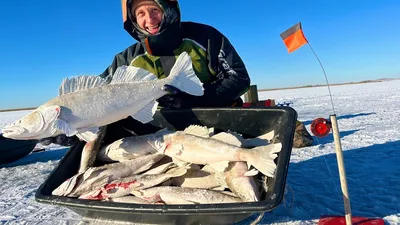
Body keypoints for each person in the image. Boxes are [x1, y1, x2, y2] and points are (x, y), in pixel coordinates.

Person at [39, 0, 251, 146]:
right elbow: (97, 98)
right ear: (132, 20)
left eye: (154, 10)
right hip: (156, 132)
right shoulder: (127, 58)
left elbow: (239, 77)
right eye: (140, 13)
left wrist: (195, 99)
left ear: (168, 9)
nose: (149, 20)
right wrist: (73, 129)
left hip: (216, 122)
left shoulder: (205, 37)